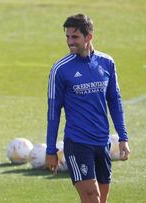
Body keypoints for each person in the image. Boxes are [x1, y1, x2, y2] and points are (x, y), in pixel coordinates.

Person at [45, 13, 131, 203]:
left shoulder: (107, 63)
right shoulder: (60, 69)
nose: (69, 42)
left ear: (89, 37)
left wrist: (123, 137)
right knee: (92, 197)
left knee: (102, 199)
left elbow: (115, 101)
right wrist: (50, 150)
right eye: (67, 37)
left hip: (102, 142)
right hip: (77, 143)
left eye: (74, 37)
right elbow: (53, 113)